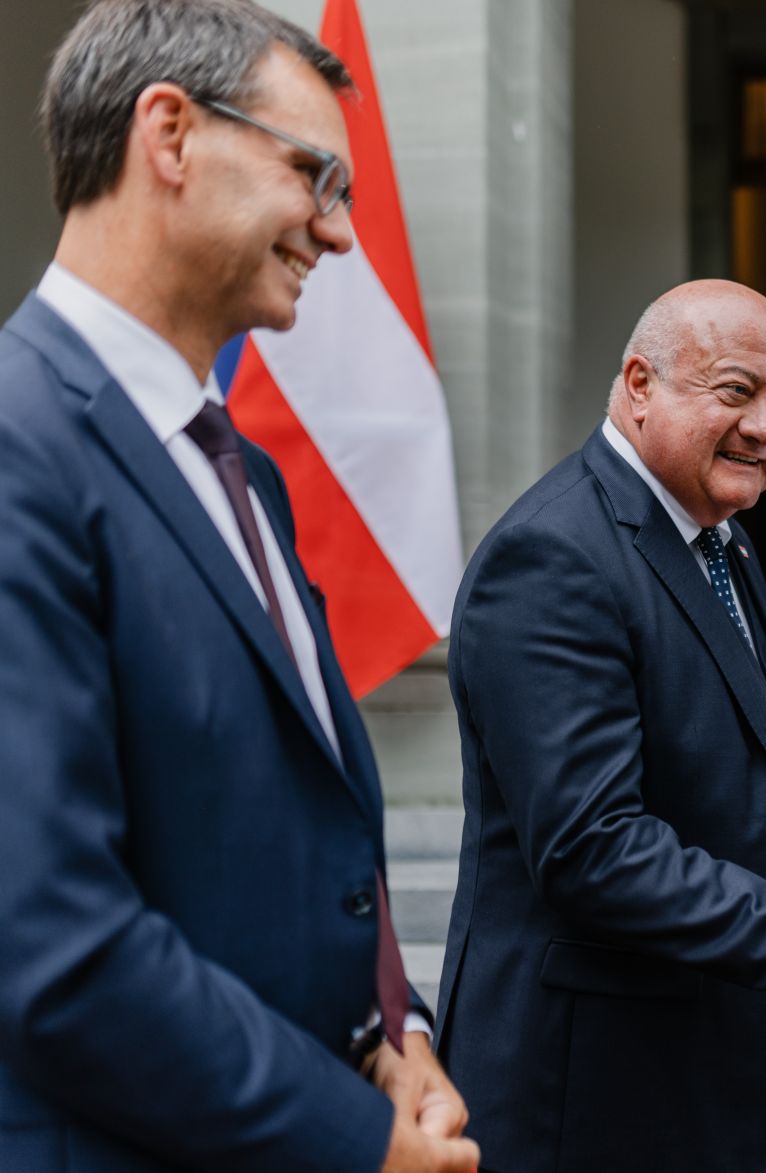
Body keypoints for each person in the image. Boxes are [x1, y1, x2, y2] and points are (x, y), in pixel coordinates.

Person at [0, 2, 477, 1170]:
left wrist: (396, 1033)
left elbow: (305, 824)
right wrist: (356, 1140)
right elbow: (53, 942)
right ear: (169, 134)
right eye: (313, 175)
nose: (341, 233)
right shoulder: (19, 447)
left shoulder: (240, 470)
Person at [434, 279, 766, 1172]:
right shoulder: (553, 556)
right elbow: (594, 851)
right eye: (736, 392)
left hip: (702, 1074)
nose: (765, 427)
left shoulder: (720, 534)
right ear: (640, 384)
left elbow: (758, 750)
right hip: (592, 1099)